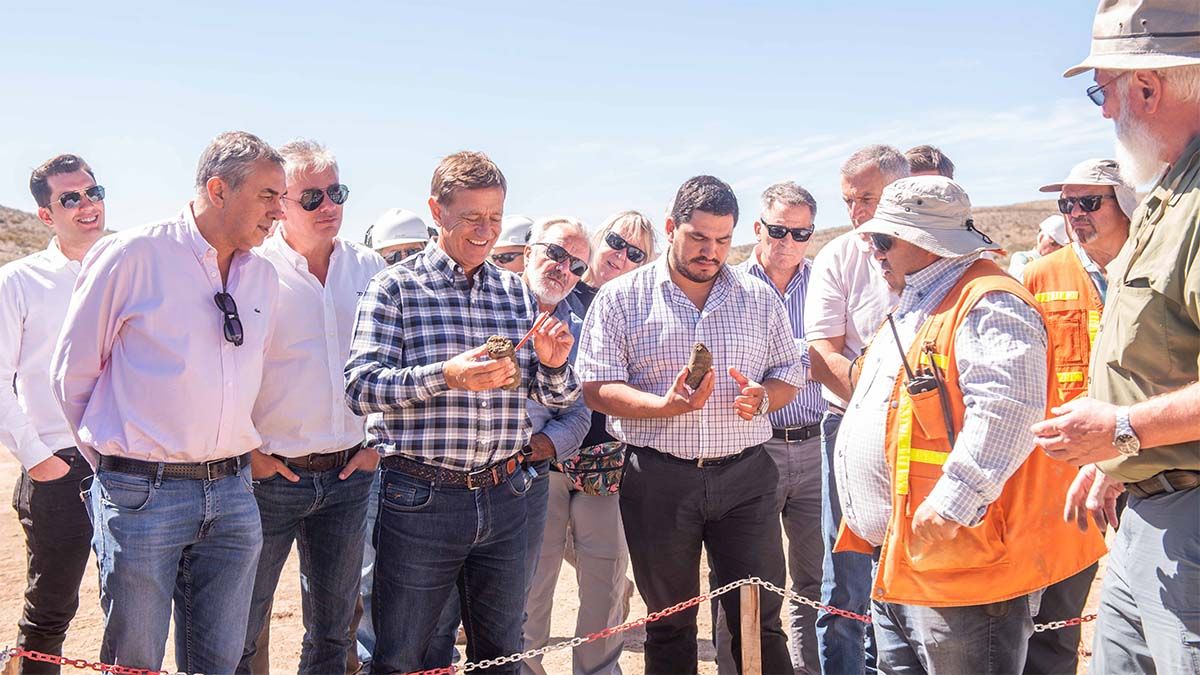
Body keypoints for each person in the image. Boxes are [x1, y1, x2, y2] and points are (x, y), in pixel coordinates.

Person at [833, 175, 1106, 673]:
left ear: (925, 242)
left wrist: (952, 503)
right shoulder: (922, 298)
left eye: (884, 239)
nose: (874, 250)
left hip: (959, 565)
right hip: (910, 560)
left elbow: (1010, 407)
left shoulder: (989, 300)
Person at [49, 131, 284, 673]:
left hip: (232, 495)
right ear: (219, 189)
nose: (279, 210)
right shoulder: (133, 253)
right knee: (135, 663)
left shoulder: (263, 277)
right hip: (141, 496)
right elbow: (72, 375)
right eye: (268, 195)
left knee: (220, 662)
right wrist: (120, 468)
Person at [344, 151, 579, 675]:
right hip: (418, 500)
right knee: (404, 656)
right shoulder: (394, 289)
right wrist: (446, 375)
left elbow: (555, 398)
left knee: (501, 654)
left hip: (506, 495)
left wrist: (556, 365)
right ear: (437, 210)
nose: (486, 230)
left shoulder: (515, 292)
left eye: (495, 218)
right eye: (472, 217)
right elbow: (359, 389)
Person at [578, 175, 803, 675]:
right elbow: (596, 386)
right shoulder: (620, 298)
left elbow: (791, 370)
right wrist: (662, 407)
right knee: (670, 623)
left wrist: (765, 397)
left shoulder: (759, 297)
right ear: (670, 228)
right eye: (699, 238)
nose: (711, 251)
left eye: (723, 240)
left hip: (746, 479)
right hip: (658, 480)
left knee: (757, 618)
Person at [1034, 2, 1200, 670]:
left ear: (1149, 87)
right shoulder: (1166, 190)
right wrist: (1117, 458)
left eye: (1105, 90)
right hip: (1144, 511)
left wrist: (1126, 428)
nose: (1104, 112)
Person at [236, 140, 384, 674]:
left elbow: (396, 360)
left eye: (336, 192)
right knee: (244, 627)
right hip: (268, 478)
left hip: (350, 476)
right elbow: (228, 370)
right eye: (313, 196)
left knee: (335, 629)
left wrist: (376, 444)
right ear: (280, 204)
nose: (329, 206)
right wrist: (250, 453)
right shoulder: (250, 269)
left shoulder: (371, 270)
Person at [424, 216, 593, 667]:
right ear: (529, 252)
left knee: (503, 619)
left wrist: (537, 445)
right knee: (434, 622)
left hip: (523, 483)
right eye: (555, 253)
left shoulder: (574, 327)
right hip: (443, 482)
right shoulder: (481, 301)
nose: (563, 268)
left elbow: (579, 412)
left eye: (576, 265)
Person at [522, 211, 656, 675]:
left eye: (636, 253)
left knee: (605, 581)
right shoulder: (557, 295)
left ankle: (599, 671)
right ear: (598, 241)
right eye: (616, 241)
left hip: (610, 464)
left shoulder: (641, 309)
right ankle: (525, 667)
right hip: (548, 461)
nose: (621, 256)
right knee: (534, 582)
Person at [1019, 158, 1135, 675]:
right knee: (1057, 616)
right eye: (1066, 205)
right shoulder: (1040, 275)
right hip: (1065, 472)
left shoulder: (1155, 263)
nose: (1075, 215)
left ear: (1126, 202)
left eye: (1089, 202)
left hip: (1156, 460)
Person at [707, 183, 826, 675]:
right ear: (757, 229)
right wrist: (806, 357)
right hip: (753, 451)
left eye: (801, 232)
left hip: (818, 442)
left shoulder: (825, 285)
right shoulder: (728, 286)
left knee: (818, 578)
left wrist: (793, 359)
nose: (788, 241)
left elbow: (837, 354)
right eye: (778, 230)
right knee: (742, 577)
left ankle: (806, 668)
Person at [804, 144, 907, 675]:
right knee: (845, 565)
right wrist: (878, 410)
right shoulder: (838, 257)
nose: (856, 211)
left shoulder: (940, 252)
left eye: (867, 198)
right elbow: (822, 353)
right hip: (848, 425)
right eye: (849, 200)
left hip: (925, 434)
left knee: (914, 561)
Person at [1, 155, 106, 674]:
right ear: (46, 215)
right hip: (59, 468)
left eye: (92, 192)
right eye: (70, 198)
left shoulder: (128, 265)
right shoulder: (17, 281)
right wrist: (40, 458)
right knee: (49, 612)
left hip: (130, 465)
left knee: (134, 607)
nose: (87, 205)